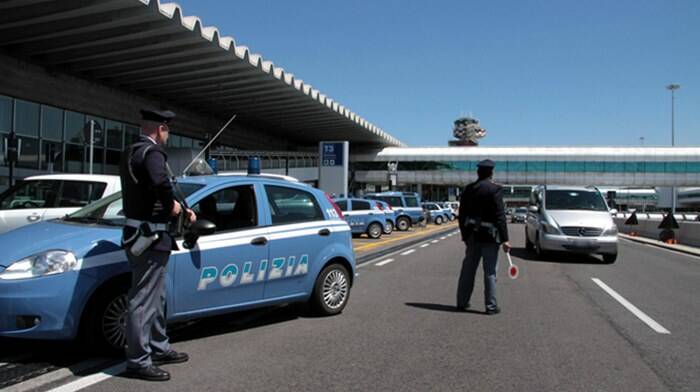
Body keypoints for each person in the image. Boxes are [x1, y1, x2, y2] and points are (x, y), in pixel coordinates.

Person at [120, 109, 196, 381]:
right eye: (167, 130)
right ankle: (139, 361)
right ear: (161, 129)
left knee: (156, 296)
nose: (168, 135)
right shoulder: (152, 154)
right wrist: (174, 206)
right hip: (151, 238)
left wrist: (181, 208)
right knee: (143, 300)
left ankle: (158, 346)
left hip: (136, 234)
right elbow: (161, 183)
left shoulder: (131, 151)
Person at [456, 159, 511, 315]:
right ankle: (491, 306)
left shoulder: (469, 189)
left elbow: (462, 215)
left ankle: (462, 302)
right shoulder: (495, 190)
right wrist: (505, 239)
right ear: (491, 173)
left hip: (472, 236)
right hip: (490, 237)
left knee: (468, 270)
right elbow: (500, 216)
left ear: (478, 172)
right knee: (490, 272)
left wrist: (465, 235)